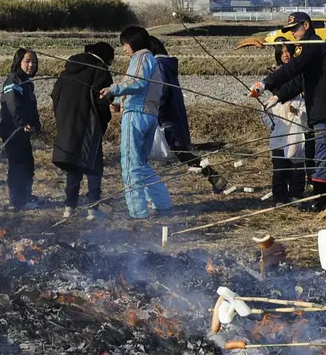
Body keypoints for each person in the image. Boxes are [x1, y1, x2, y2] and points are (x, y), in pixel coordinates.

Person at [257, 12, 326, 212]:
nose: (293, 33)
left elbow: (293, 68)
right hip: (323, 112)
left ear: (306, 25)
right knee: (325, 156)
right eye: (290, 30)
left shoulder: (313, 44)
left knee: (324, 156)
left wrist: (265, 83)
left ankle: (322, 203)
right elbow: (299, 79)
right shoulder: (310, 48)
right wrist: (276, 97)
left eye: (295, 29)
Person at [102, 26, 172, 220]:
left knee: (130, 166)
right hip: (148, 115)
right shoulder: (151, 60)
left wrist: (113, 89)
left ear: (132, 42)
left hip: (136, 116)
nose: (124, 49)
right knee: (141, 165)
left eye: (124, 44)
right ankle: (163, 204)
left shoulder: (140, 57)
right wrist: (120, 105)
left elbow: (137, 83)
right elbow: (143, 90)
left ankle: (137, 213)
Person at [153, 37, 228, 195]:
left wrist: (153, 110)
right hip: (173, 116)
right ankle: (214, 177)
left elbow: (162, 93)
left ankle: (152, 193)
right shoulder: (166, 65)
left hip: (166, 119)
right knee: (182, 153)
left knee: (177, 152)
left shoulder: (158, 65)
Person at [52, 43, 114, 220]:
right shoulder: (99, 69)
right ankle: (93, 209)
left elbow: (55, 95)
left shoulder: (69, 69)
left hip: (67, 124)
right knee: (94, 166)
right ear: (106, 57)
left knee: (74, 165)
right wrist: (103, 122)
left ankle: (69, 207)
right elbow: (103, 100)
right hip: (89, 125)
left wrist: (62, 119)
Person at [262, 44, 309, 204]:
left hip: (295, 136)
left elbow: (304, 116)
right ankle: (279, 196)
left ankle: (296, 194)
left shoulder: (299, 100)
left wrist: (297, 113)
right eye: (282, 52)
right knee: (279, 169)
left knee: (296, 167)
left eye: (287, 51)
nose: (286, 54)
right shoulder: (272, 102)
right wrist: (273, 125)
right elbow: (266, 116)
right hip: (278, 137)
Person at [0, 48, 41, 211]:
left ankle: (26, 194)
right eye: (27, 61)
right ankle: (17, 200)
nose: (31, 65)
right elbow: (13, 104)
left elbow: (31, 107)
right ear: (19, 62)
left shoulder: (26, 82)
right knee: (17, 165)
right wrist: (22, 123)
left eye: (34, 62)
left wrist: (36, 124)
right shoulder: (13, 81)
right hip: (12, 130)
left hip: (22, 131)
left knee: (28, 163)